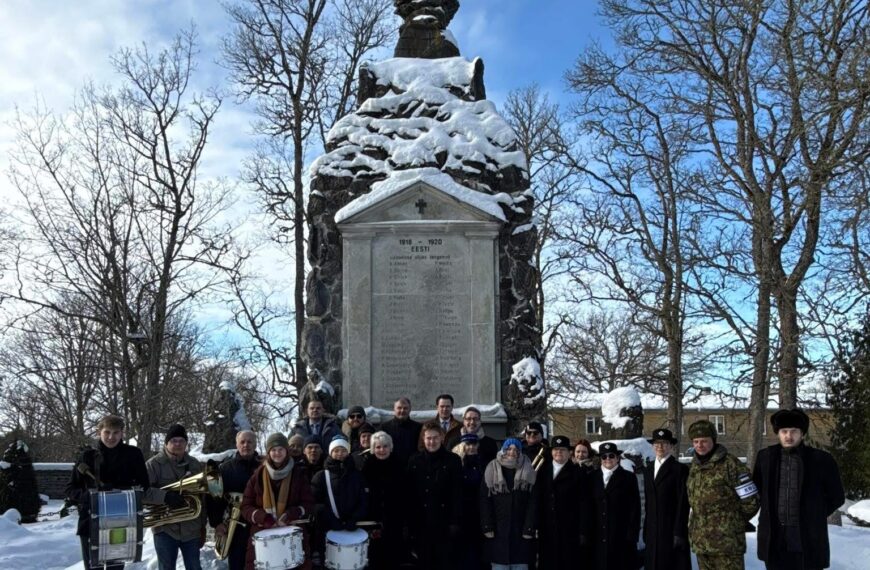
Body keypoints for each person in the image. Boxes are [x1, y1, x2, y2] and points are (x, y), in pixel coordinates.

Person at [752, 409, 844, 570]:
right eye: (784, 431)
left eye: (794, 431)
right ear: (777, 433)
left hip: (807, 538)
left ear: (802, 433)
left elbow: (837, 496)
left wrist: (814, 514)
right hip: (775, 537)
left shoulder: (821, 459)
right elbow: (756, 492)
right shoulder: (765, 457)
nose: (788, 436)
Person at [66, 414, 153, 570]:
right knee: (94, 567)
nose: (111, 437)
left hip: (121, 522)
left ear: (122, 433)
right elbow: (71, 489)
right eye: (107, 432)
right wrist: (93, 495)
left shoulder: (133, 455)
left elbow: (144, 486)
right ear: (99, 432)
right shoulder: (87, 456)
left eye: (116, 432)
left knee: (115, 567)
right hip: (90, 522)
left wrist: (120, 491)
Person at [687, 419, 759, 570]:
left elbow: (751, 501)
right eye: (695, 441)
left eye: (704, 441)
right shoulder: (694, 466)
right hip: (701, 544)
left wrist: (732, 523)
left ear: (713, 440)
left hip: (727, 545)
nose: (699, 445)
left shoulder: (730, 464)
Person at [241, 432, 314, 570]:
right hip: (263, 535)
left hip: (292, 534)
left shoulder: (298, 474)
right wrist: (264, 518)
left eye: (280, 449)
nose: (277, 453)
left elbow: (308, 503)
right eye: (273, 450)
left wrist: (291, 514)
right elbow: (245, 506)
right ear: (269, 452)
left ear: (287, 451)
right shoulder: (257, 476)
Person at [146, 423, 206, 570]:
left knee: (195, 567)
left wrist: (202, 526)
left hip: (192, 529)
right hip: (165, 529)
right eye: (174, 440)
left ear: (186, 443)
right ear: (166, 443)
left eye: (181, 441)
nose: (178, 444)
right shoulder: (153, 464)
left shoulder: (194, 464)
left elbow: (202, 498)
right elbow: (142, 492)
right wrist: (165, 496)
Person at [406, 421, 463, 570]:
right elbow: (409, 495)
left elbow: (457, 493)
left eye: (435, 438)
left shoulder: (453, 460)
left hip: (444, 523)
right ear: (423, 439)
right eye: (428, 438)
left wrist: (454, 522)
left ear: (442, 438)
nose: (432, 442)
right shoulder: (414, 461)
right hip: (421, 523)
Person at [480, 438, 538, 570]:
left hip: (521, 531)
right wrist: (487, 525)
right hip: (498, 531)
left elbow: (533, 502)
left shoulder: (529, 470)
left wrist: (529, 527)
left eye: (516, 450)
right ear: (503, 450)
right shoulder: (491, 468)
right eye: (509, 449)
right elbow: (485, 499)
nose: (512, 452)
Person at [207, 430, 261, 570]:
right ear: (236, 444)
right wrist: (217, 522)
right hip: (234, 527)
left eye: (249, 442)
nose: (246, 445)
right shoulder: (225, 468)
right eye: (242, 442)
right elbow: (214, 498)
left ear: (255, 444)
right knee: (236, 564)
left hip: (259, 524)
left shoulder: (264, 467)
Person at [311, 436, 369, 564]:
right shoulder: (320, 476)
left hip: (352, 529)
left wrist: (354, 518)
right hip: (328, 531)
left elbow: (364, 500)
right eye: (336, 450)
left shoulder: (357, 475)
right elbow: (315, 503)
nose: (339, 453)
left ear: (348, 452)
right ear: (330, 452)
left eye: (343, 450)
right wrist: (330, 518)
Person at [643, 428, 690, 570]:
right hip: (652, 529)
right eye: (657, 443)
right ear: (652, 446)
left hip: (671, 529)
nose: (660, 447)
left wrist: (679, 531)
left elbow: (683, 503)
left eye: (664, 443)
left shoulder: (680, 469)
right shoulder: (648, 469)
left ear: (671, 446)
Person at [536, 435, 585, 570]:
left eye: (562, 449)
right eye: (556, 449)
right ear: (551, 451)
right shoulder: (542, 471)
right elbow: (537, 499)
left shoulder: (577, 473)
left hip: (569, 528)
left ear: (569, 452)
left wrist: (582, 530)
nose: (559, 452)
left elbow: (583, 503)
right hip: (546, 528)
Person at [590, 441, 640, 570]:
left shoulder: (628, 478)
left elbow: (635, 508)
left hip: (620, 535)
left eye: (611, 456)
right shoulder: (591, 478)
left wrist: (631, 535)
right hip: (597, 536)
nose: (608, 459)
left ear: (617, 458)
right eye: (604, 456)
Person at [362, 431, 405, 570]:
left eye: (385, 446)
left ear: (390, 447)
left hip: (395, 518)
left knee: (393, 557)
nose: (382, 450)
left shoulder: (399, 464)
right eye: (378, 447)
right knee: (374, 557)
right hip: (372, 519)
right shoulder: (367, 466)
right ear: (373, 448)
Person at [455, 433, 486, 570]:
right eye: (468, 444)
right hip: (462, 512)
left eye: (474, 444)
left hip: (479, 511)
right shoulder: (457, 463)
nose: (471, 447)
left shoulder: (482, 463)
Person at [380, 396, 423, 467]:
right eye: (399, 408)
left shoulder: (418, 427)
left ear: (410, 409)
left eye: (405, 408)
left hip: (412, 468)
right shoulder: (384, 428)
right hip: (391, 468)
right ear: (394, 409)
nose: (402, 410)